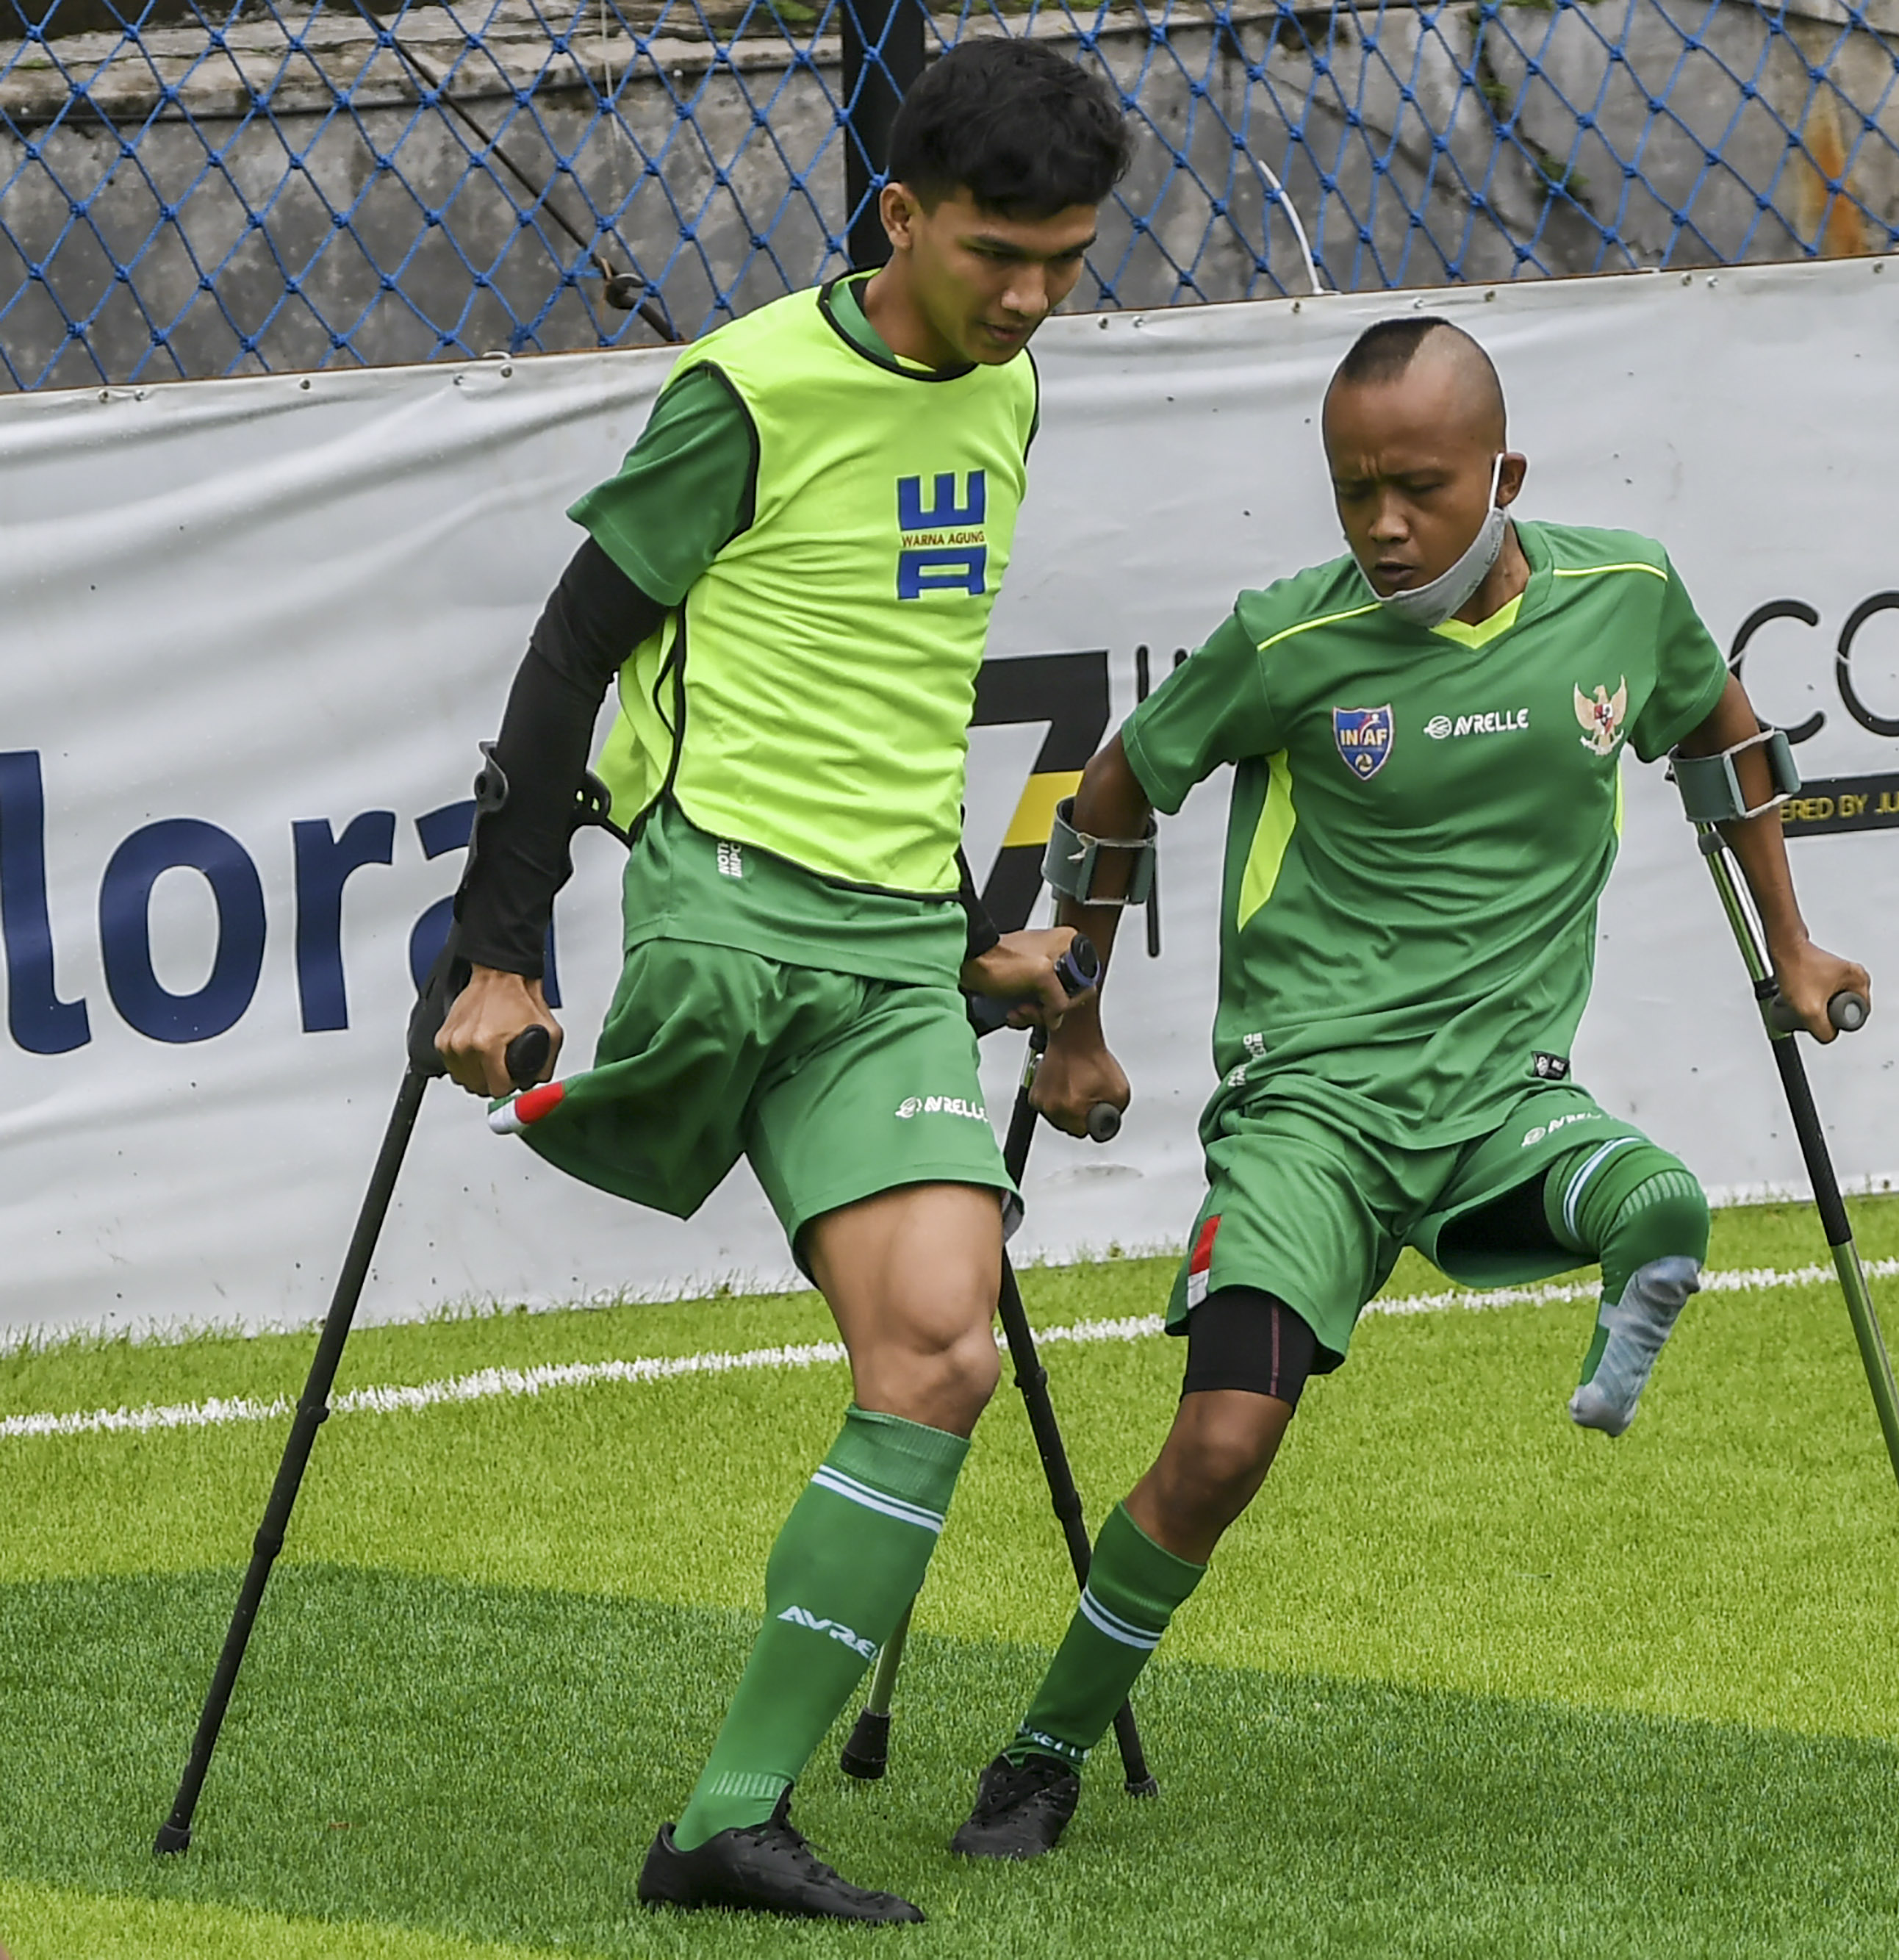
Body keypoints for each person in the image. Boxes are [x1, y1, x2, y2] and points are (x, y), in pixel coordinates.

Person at [949, 315, 1870, 1860]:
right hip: (1308, 1109)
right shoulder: (1288, 641)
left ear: (1504, 475)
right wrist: (1077, 1029)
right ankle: (1042, 1749)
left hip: (1503, 1089)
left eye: (1420, 489)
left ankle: (1629, 1297)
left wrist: (1791, 943)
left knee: (1665, 1196)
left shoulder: (1624, 594)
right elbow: (1114, 792)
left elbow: (1722, 737)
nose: (1382, 526)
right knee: (1224, 1441)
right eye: (1351, 490)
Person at [430, 38, 1131, 1924]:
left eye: (1067, 260)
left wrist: (967, 921)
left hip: (895, 943)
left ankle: (725, 1822)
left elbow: (899, 692)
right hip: (728, 910)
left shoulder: (1011, 393)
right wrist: (501, 946)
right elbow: (568, 659)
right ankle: (580, 1071)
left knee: (942, 1350)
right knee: (915, 1314)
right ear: (901, 217)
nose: (1035, 296)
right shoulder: (744, 393)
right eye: (1001, 254)